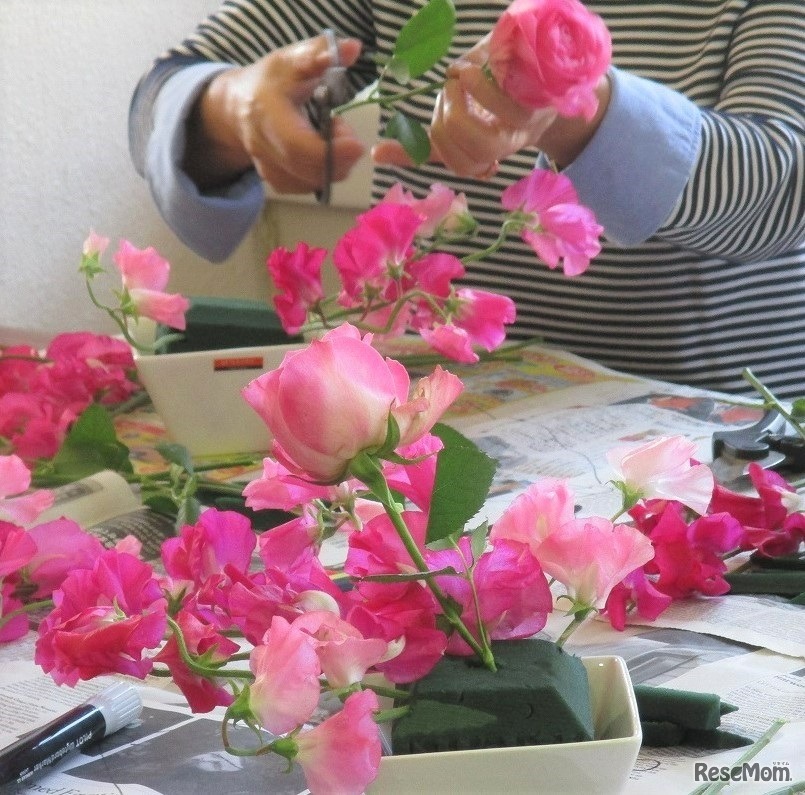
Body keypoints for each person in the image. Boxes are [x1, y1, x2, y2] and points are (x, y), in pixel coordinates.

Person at [129, 0, 805, 397]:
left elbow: (784, 184)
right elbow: (174, 85)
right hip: (456, 427)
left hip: (726, 458)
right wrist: (233, 107)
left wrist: (574, 104)